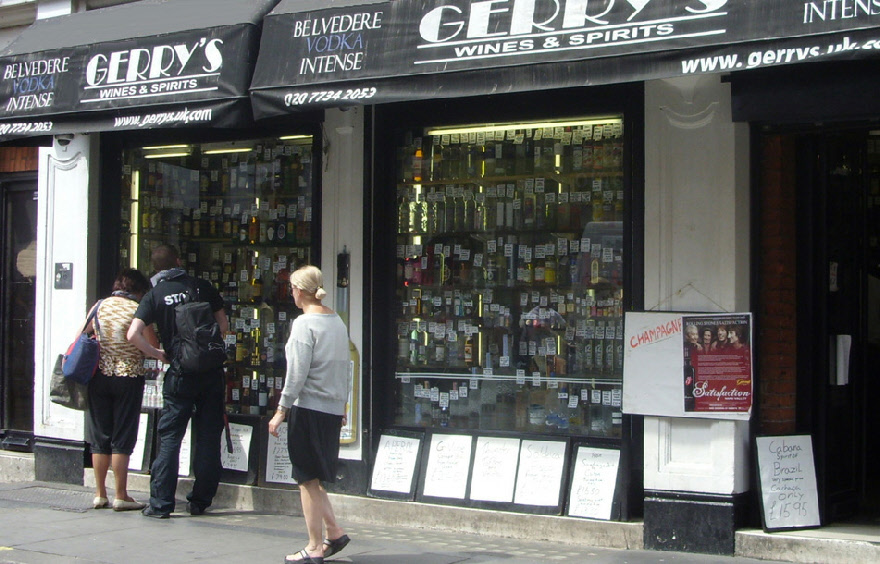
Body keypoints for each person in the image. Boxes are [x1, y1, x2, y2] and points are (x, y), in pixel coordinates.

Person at [127, 244, 229, 519]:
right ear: (179, 260)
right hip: (210, 373)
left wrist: (159, 354)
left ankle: (161, 504)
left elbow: (133, 334)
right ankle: (200, 501)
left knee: (171, 438)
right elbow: (223, 325)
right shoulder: (202, 287)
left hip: (180, 373)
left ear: (156, 268)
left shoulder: (154, 294)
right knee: (208, 437)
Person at [268, 265, 351, 564]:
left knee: (305, 477)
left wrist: (281, 410)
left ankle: (315, 545)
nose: (291, 293)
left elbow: (297, 374)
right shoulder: (337, 321)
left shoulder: (305, 324)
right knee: (314, 477)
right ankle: (335, 531)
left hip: (309, 407)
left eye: (291, 288)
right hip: (331, 408)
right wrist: (342, 404)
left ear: (299, 291)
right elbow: (346, 366)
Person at [82, 269, 158, 512]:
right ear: (138, 289)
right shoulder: (138, 309)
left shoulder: (99, 306)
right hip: (128, 378)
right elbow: (152, 345)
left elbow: (83, 335)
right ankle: (121, 495)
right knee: (122, 438)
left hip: (99, 377)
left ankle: (99, 494)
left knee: (100, 437)